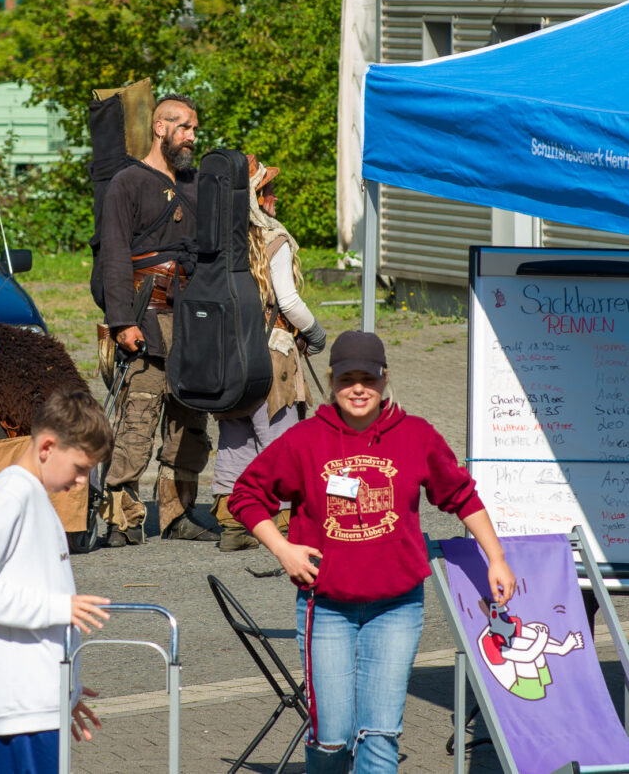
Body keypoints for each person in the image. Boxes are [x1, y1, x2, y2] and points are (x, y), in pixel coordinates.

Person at [229, 330, 516, 774]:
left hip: (396, 608)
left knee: (380, 734)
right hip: (326, 607)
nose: (358, 388)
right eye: (347, 379)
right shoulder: (306, 439)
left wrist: (495, 557)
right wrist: (282, 549)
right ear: (331, 381)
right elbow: (246, 495)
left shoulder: (416, 435)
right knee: (331, 737)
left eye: (369, 377)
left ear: (385, 380)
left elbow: (460, 495)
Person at [0, 390, 115, 773]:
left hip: (34, 704)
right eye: (81, 467)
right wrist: (57, 609)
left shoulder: (31, 494)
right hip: (24, 709)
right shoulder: (15, 493)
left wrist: (65, 691)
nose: (83, 481)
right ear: (48, 446)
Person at [97, 93, 215, 546]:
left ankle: (177, 513)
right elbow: (113, 255)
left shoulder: (199, 184)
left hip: (195, 321)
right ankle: (121, 517)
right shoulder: (127, 182)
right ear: (159, 128)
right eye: (183, 126)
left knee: (190, 421)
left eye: (195, 128)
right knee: (138, 420)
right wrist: (122, 320)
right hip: (146, 319)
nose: (191, 136)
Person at [211, 154, 327, 551]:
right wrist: (315, 333)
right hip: (270, 353)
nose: (274, 197)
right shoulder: (272, 238)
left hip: (223, 356)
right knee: (280, 437)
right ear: (254, 199)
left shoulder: (213, 239)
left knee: (234, 437)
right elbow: (288, 301)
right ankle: (282, 520)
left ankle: (233, 521)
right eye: (267, 190)